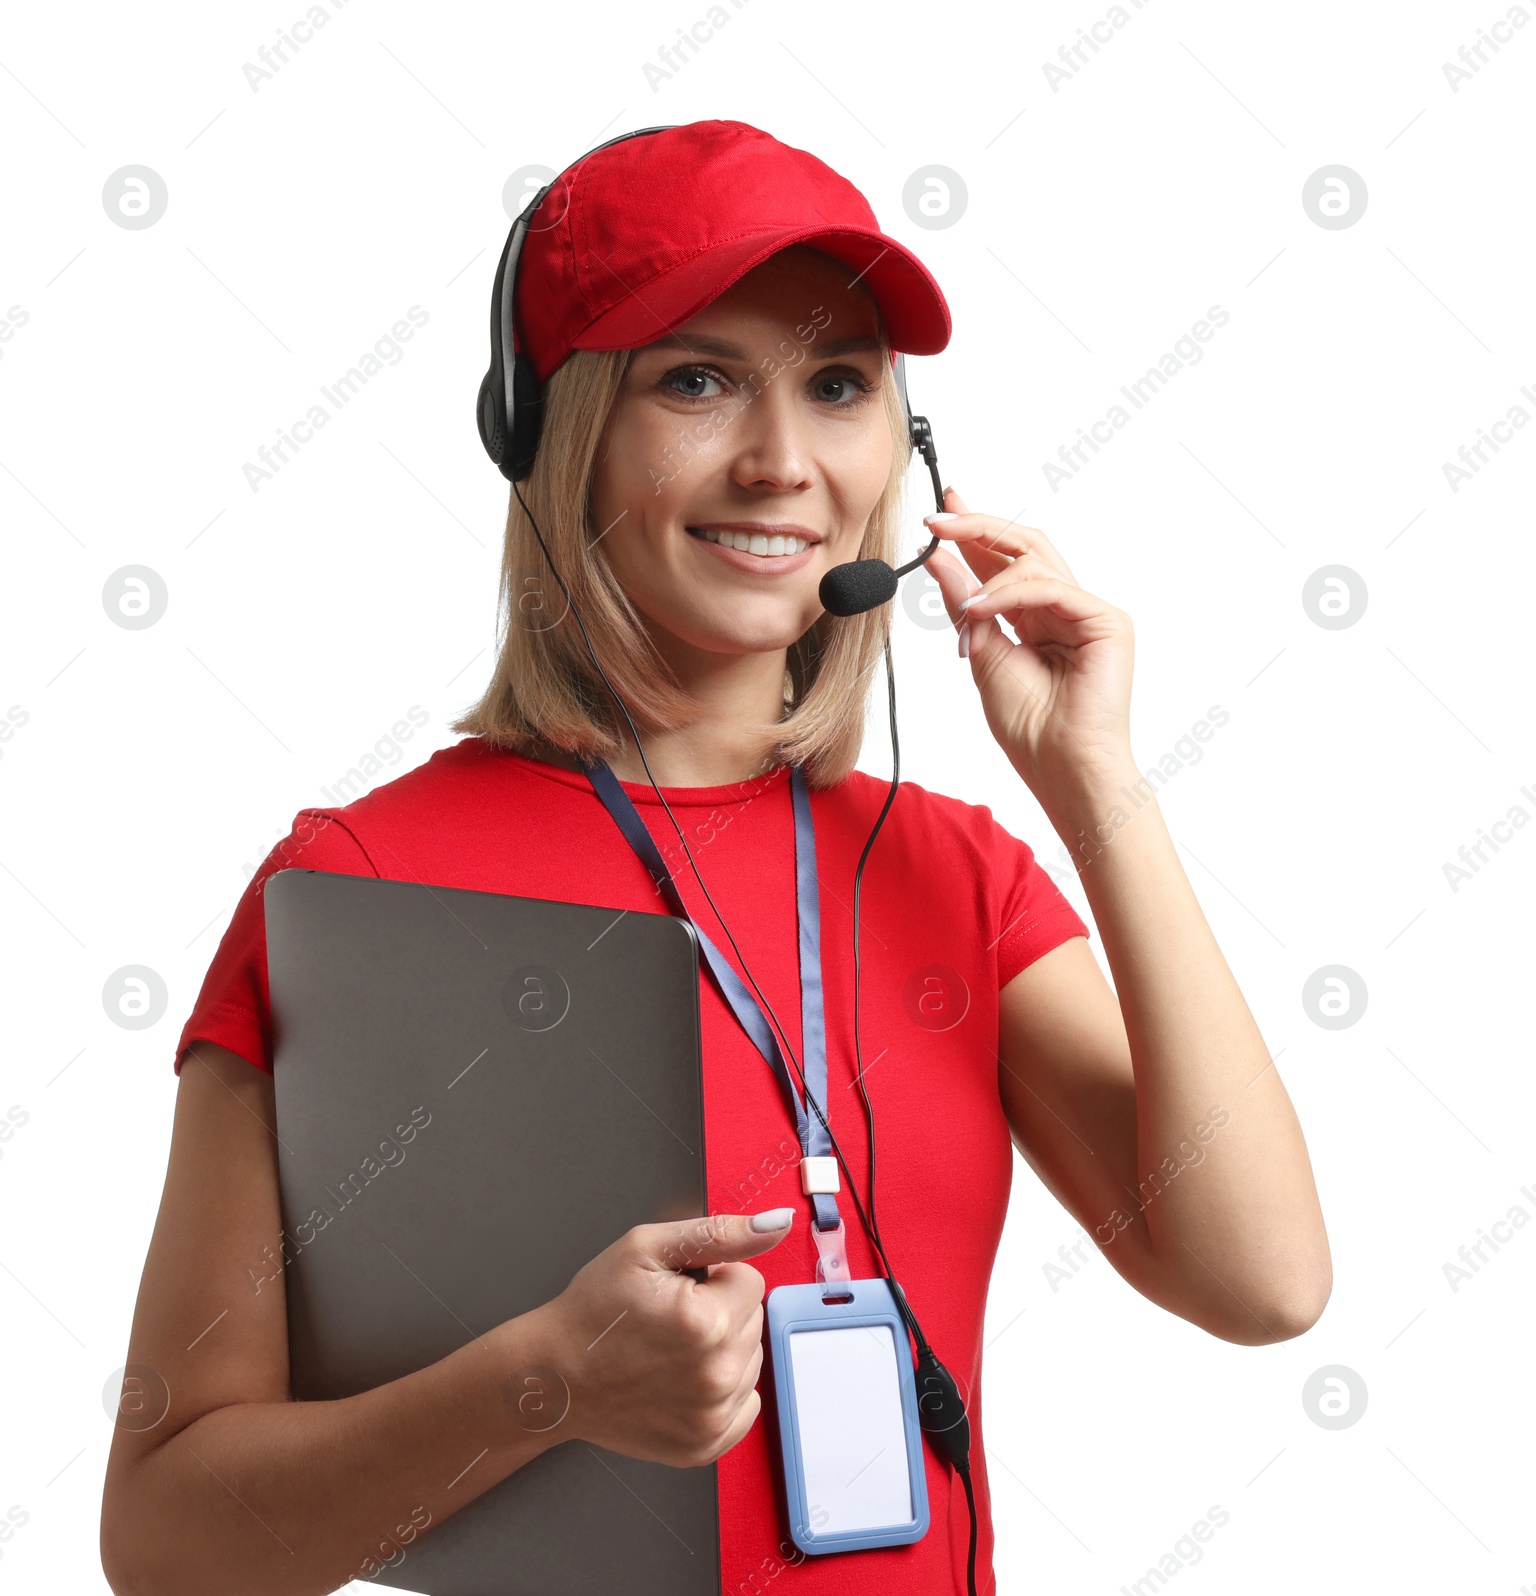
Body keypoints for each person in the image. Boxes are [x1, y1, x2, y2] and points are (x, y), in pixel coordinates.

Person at [100, 121, 1331, 1596]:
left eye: (837, 388)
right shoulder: (356, 885)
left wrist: (1097, 784)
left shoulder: (955, 866)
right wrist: (541, 1383)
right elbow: (166, 1539)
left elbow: (1263, 1283)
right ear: (555, 431)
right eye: (697, 381)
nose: (781, 463)